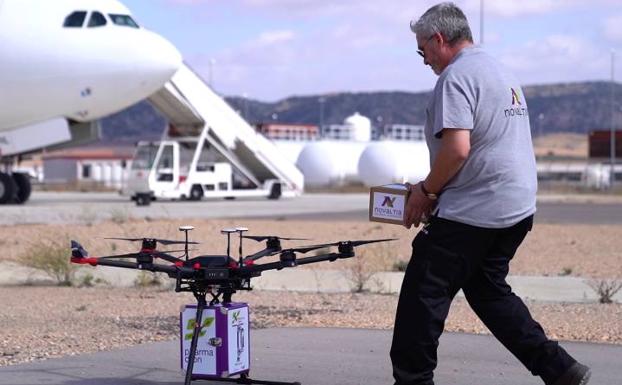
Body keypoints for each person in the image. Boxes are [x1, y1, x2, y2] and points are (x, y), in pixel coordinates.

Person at [390, 3, 591, 385]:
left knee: (422, 295)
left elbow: (457, 150)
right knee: (487, 292)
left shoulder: (456, 77)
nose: (424, 59)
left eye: (422, 50)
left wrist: (425, 192)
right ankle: (560, 369)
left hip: (476, 211)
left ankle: (412, 380)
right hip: (516, 208)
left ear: (438, 39)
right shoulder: (499, 70)